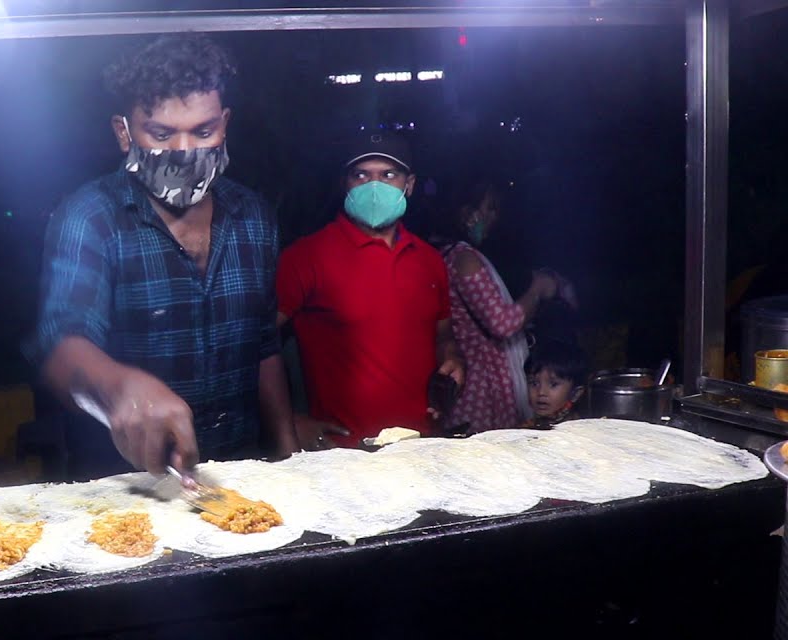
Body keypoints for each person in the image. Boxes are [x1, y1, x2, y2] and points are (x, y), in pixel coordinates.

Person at [29, 33, 297, 480]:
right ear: (124, 132)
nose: (184, 151)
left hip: (239, 475)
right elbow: (62, 347)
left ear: (225, 124)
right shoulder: (90, 217)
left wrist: (290, 454)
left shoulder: (254, 216)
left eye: (203, 131)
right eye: (162, 133)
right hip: (128, 487)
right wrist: (118, 385)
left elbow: (264, 346)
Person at [277, 133, 465, 448]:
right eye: (361, 175)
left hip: (424, 446)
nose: (374, 186)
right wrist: (290, 421)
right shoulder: (307, 256)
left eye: (388, 175)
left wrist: (452, 358)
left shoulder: (429, 261)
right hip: (344, 453)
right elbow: (252, 345)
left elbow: (443, 337)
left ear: (410, 184)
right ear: (345, 184)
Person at [435, 179, 566, 434]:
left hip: (477, 381)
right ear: (468, 214)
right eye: (489, 208)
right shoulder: (463, 258)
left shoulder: (446, 253)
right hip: (481, 387)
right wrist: (537, 288)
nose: (494, 216)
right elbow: (502, 324)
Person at [520, 340, 589, 429]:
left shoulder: (578, 432)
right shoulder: (526, 429)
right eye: (534, 383)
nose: (541, 392)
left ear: (575, 393)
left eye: (553, 384)